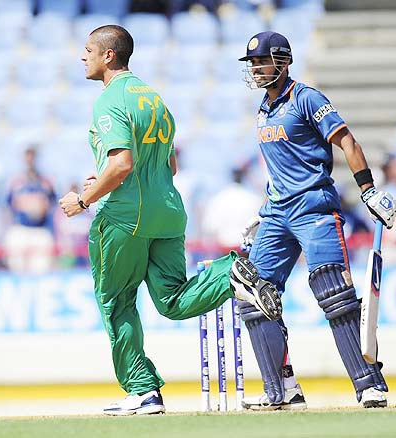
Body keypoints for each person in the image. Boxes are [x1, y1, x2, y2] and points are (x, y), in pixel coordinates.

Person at [58, 25, 282, 416]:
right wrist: (112, 173)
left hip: (126, 217)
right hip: (168, 212)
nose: (83, 56)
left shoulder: (110, 99)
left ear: (108, 55)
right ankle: (230, 273)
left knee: (116, 301)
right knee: (173, 300)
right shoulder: (155, 99)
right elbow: (170, 163)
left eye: (89, 49)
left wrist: (84, 198)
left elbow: (123, 163)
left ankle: (143, 390)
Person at [235, 31, 396, 410]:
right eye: (253, 63)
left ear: (284, 61)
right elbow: (280, 168)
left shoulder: (307, 98)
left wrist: (368, 191)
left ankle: (369, 384)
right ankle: (283, 391)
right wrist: (265, 213)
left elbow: (347, 142)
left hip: (314, 207)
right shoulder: (264, 108)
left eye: (262, 61)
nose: (257, 69)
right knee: (251, 295)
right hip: (277, 212)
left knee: (334, 295)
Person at [4, 146, 57, 273]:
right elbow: (9, 205)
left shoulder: (45, 181)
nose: (30, 159)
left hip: (39, 230)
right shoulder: (16, 181)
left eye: (32, 156)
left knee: (41, 271)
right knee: (17, 270)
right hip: (21, 229)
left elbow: (52, 203)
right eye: (27, 156)